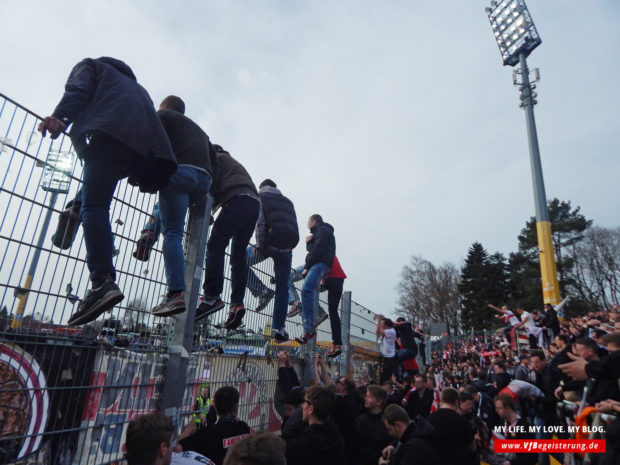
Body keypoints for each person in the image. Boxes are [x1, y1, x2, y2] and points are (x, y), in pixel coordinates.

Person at [39, 57, 176, 326]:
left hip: (105, 136)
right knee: (97, 191)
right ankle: (75, 207)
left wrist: (60, 117)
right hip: (137, 152)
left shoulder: (92, 66)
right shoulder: (140, 91)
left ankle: (102, 280)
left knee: (96, 205)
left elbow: (77, 90)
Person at [150, 96, 217, 317]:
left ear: (164, 107)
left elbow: (152, 140)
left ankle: (176, 293)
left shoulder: (163, 116)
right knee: (182, 225)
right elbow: (214, 161)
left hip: (181, 173)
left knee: (173, 233)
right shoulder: (200, 131)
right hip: (204, 181)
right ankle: (149, 230)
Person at [194, 146, 260, 329]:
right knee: (238, 257)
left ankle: (211, 297)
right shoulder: (234, 163)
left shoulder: (216, 158)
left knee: (215, 245)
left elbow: (212, 185)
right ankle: (237, 303)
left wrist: (208, 211)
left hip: (237, 200)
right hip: (254, 204)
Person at [245, 179, 299, 342]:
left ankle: (261, 291)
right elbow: (294, 227)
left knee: (239, 259)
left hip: (269, 244)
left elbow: (260, 222)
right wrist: (290, 246)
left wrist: (260, 244)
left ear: (262, 187)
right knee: (283, 288)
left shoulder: (261, 196)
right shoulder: (288, 201)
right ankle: (280, 329)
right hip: (286, 249)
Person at [178, 386, 250, 465]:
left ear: (215, 408)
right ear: (236, 407)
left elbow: (177, 450)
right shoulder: (243, 428)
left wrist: (188, 429)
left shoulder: (206, 435)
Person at [294, 214, 336, 344]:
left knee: (306, 290)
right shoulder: (320, 232)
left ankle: (308, 330)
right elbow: (314, 248)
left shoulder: (323, 230)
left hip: (319, 263)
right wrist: (309, 242)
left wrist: (307, 267)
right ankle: (295, 302)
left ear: (313, 221)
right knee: (290, 276)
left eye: (308, 221)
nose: (307, 224)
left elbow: (318, 250)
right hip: (315, 262)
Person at [285, 385, 346, 465]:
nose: (302, 406)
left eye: (305, 402)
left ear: (311, 409)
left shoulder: (296, 446)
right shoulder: (337, 438)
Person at [427, 387, 476, 465]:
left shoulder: (430, 419)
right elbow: (472, 447)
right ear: (457, 402)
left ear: (442, 400)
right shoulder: (462, 421)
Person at [493, 393, 536, 465]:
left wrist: (511, 463)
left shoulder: (524, 426)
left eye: (499, 408)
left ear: (508, 408)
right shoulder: (501, 423)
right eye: (496, 408)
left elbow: (532, 455)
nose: (496, 411)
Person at [353, 385, 391, 465]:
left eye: (369, 396)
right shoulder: (360, 420)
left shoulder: (387, 422)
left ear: (378, 402)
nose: (365, 399)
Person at [321, 256, 347, 357]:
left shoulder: (320, 249)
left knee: (309, 287)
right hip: (339, 280)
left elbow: (321, 265)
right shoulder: (329, 250)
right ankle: (337, 344)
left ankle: (319, 313)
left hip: (331, 278)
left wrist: (322, 280)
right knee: (333, 311)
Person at [376, 315, 398, 383]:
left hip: (389, 358)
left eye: (382, 324)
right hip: (384, 357)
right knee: (381, 377)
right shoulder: (386, 332)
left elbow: (377, 331)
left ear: (386, 325)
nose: (380, 325)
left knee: (384, 378)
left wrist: (379, 320)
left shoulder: (391, 331)